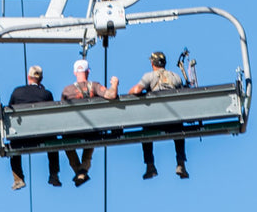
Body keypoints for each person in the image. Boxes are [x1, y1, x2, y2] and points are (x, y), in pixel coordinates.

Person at [129, 51, 189, 180]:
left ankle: (150, 166)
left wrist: (131, 92)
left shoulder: (150, 76)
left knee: (145, 133)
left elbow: (137, 90)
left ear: (152, 63)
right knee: (180, 131)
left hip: (155, 120)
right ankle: (181, 164)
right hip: (173, 121)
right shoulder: (175, 76)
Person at [59, 57, 118, 186]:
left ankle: (79, 171)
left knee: (67, 145)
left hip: (72, 129)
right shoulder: (95, 86)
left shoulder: (67, 90)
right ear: (88, 71)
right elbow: (111, 95)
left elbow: (62, 114)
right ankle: (82, 170)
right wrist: (114, 83)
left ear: (75, 72)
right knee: (90, 144)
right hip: (92, 128)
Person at [6, 66, 62, 190]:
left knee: (13, 144)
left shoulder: (17, 92)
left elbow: (9, 111)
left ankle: (18, 179)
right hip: (44, 136)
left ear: (28, 77)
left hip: (21, 137)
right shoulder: (46, 94)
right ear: (41, 79)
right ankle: (54, 174)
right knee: (53, 142)